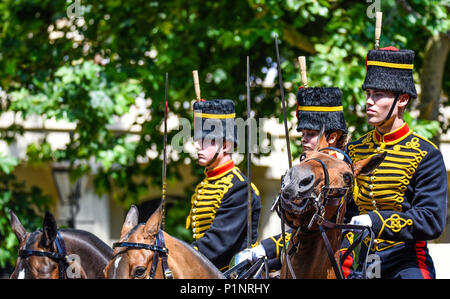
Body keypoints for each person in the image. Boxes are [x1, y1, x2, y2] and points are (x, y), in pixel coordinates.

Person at [341, 46, 448, 279]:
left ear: (402, 99)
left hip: (405, 258)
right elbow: (343, 213)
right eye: (368, 93)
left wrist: (376, 221)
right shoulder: (354, 150)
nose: (369, 102)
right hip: (363, 258)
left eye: (378, 94)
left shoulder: (426, 154)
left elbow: (431, 220)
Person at [231, 86, 349, 273]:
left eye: (311, 134)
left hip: (335, 260)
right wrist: (266, 248)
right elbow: (297, 229)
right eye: (303, 134)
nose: (303, 139)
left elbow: (347, 226)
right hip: (300, 255)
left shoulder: (345, 174)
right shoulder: (303, 170)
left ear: (332, 137)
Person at [185, 98, 261, 271]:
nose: (198, 147)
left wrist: (183, 254)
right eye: (198, 140)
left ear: (225, 145)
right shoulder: (204, 184)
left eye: (205, 141)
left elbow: (219, 242)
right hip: (207, 269)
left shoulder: (240, 188)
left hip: (236, 273)